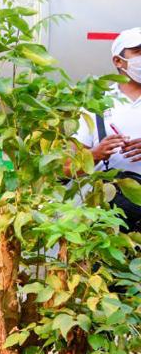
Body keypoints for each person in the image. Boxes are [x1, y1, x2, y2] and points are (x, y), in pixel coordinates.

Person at [73, 27, 141, 231]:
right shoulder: (97, 105)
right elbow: (66, 166)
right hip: (106, 218)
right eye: (138, 51)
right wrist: (95, 154)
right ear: (118, 61)